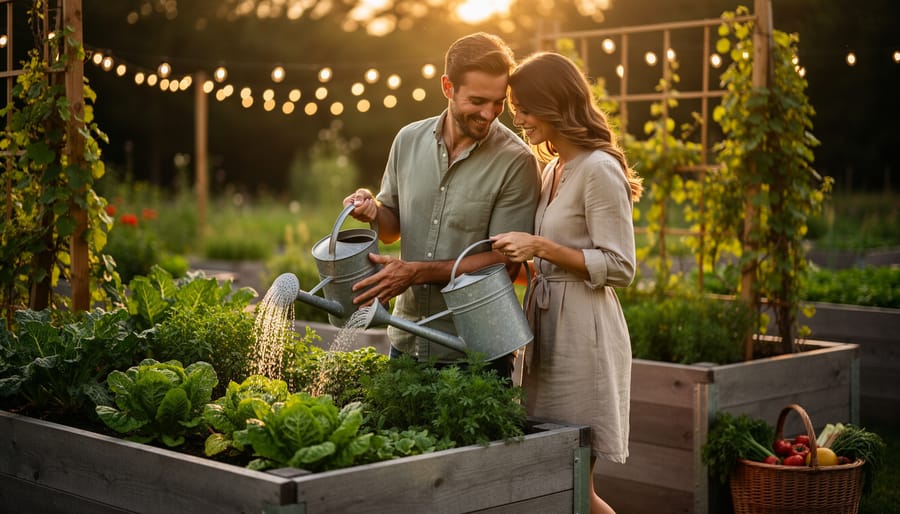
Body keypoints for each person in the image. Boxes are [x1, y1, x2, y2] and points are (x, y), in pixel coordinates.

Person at [490, 52, 643, 514]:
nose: (518, 119)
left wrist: (539, 247)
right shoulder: (553, 169)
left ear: (556, 104)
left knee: (577, 484)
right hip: (548, 326)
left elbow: (620, 266)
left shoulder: (599, 168)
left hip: (585, 332)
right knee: (554, 479)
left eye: (525, 107)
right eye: (516, 107)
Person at [342, 32, 541, 380]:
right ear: (448, 87)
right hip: (406, 339)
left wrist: (415, 272)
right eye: (477, 101)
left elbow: (504, 262)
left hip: (477, 349)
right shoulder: (408, 140)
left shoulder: (516, 162)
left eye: (498, 103)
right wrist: (374, 211)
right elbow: (391, 230)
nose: (489, 113)